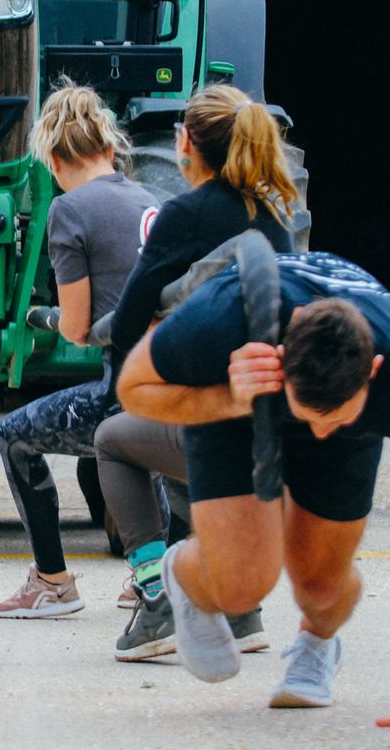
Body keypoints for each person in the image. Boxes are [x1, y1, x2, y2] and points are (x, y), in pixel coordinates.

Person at [117, 251, 390, 726]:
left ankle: (317, 644)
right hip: (237, 399)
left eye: (337, 416)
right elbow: (131, 387)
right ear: (281, 360)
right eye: (314, 417)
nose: (320, 431)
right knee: (240, 586)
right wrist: (226, 396)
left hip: (350, 427)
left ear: (372, 370)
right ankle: (185, 571)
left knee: (323, 586)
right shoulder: (222, 320)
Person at [95, 84, 297, 660]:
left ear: (185, 143)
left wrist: (133, 381)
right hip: (274, 422)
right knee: (175, 441)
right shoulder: (273, 214)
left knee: (114, 439)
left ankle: (157, 600)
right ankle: (239, 608)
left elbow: (132, 318)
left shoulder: (185, 213)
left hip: (221, 420)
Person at [0, 80, 160, 617]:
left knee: (13, 436)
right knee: (130, 453)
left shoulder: (70, 211)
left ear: (56, 159)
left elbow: (78, 329)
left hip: (124, 389)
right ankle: (154, 576)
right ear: (109, 148)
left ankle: (52, 581)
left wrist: (41, 315)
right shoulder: (148, 199)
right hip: (168, 383)